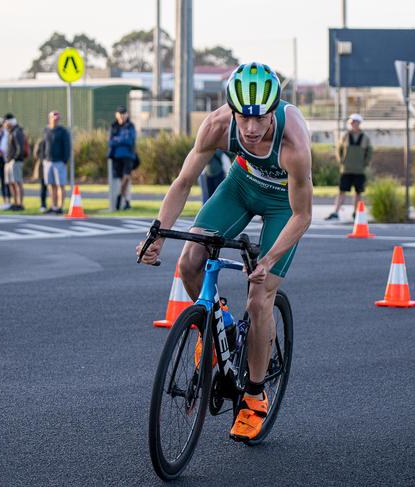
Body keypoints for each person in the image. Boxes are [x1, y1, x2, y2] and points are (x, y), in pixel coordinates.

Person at [137, 62, 312, 442]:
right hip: (241, 185)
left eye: (260, 118)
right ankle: (220, 328)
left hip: (284, 205)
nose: (250, 129)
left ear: (274, 109)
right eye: (243, 117)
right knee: (189, 262)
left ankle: (254, 396)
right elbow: (184, 181)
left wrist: (266, 261)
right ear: (231, 110)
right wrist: (158, 235)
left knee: (260, 296)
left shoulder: (293, 142)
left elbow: (303, 215)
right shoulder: (216, 126)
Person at [325, 113, 373, 221]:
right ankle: (335, 212)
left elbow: (369, 152)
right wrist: (341, 161)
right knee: (342, 191)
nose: (352, 124)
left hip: (359, 170)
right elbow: (339, 149)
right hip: (346, 170)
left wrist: (364, 164)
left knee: (358, 192)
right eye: (351, 122)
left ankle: (356, 212)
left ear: (359, 123)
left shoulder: (365, 138)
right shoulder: (345, 136)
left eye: (354, 122)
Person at [40, 111, 71, 214]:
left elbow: (67, 146)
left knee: (60, 185)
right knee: (51, 185)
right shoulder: (46, 130)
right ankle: (53, 206)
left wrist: (65, 160)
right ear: (49, 118)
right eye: (54, 118)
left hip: (59, 162)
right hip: (48, 161)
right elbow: (43, 144)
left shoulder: (62, 131)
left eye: (57, 119)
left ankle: (60, 207)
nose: (55, 120)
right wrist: (43, 158)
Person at [108, 105, 136, 210]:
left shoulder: (130, 126)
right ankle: (126, 202)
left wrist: (118, 139)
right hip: (116, 156)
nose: (122, 115)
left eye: (123, 113)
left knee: (126, 177)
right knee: (120, 180)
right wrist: (122, 139)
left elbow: (130, 140)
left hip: (128, 155)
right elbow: (111, 141)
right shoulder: (113, 126)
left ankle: (120, 196)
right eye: (120, 113)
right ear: (116, 114)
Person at [4, 113, 26, 211]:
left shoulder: (17, 131)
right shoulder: (10, 132)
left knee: (18, 182)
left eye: (5, 122)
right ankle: (15, 202)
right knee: (11, 183)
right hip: (9, 161)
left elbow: (19, 148)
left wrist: (15, 158)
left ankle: (20, 204)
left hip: (15, 161)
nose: (4, 124)